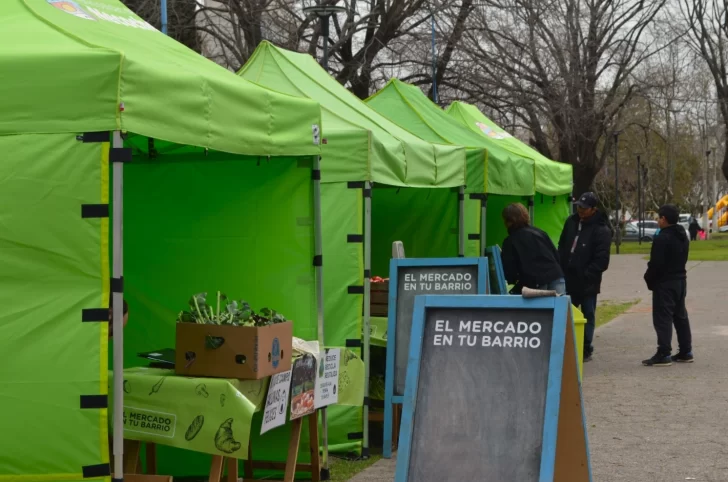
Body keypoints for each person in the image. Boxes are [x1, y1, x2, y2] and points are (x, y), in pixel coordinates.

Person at [558, 192, 612, 362]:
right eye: (579, 207)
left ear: (594, 209)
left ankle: (585, 347)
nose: (580, 210)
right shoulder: (571, 222)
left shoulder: (601, 230)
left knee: (588, 314)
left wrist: (587, 274)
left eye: (585, 208)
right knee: (568, 314)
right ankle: (567, 345)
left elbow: (602, 260)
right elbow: (562, 245)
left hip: (587, 281)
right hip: (568, 277)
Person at [642, 204, 693, 366]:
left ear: (664, 219)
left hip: (664, 282)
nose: (657, 221)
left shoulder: (662, 237)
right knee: (680, 316)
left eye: (658, 218)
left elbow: (656, 263)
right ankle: (686, 351)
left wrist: (649, 278)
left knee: (662, 317)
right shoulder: (682, 235)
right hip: (680, 279)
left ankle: (664, 352)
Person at [501, 203, 565, 294]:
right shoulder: (540, 232)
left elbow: (510, 269)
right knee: (559, 307)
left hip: (535, 281)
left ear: (509, 221)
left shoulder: (510, 241)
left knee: (539, 308)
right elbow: (556, 256)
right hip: (556, 276)